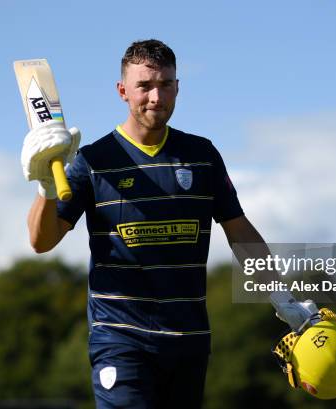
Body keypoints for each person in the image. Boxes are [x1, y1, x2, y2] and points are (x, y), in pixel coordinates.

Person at [21, 39, 312, 408]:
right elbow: (41, 240)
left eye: (166, 84)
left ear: (178, 87)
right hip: (120, 340)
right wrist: (47, 187)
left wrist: (283, 299)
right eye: (144, 86)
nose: (156, 97)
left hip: (189, 340)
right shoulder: (92, 161)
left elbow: (240, 232)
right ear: (122, 91)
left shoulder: (202, 155)